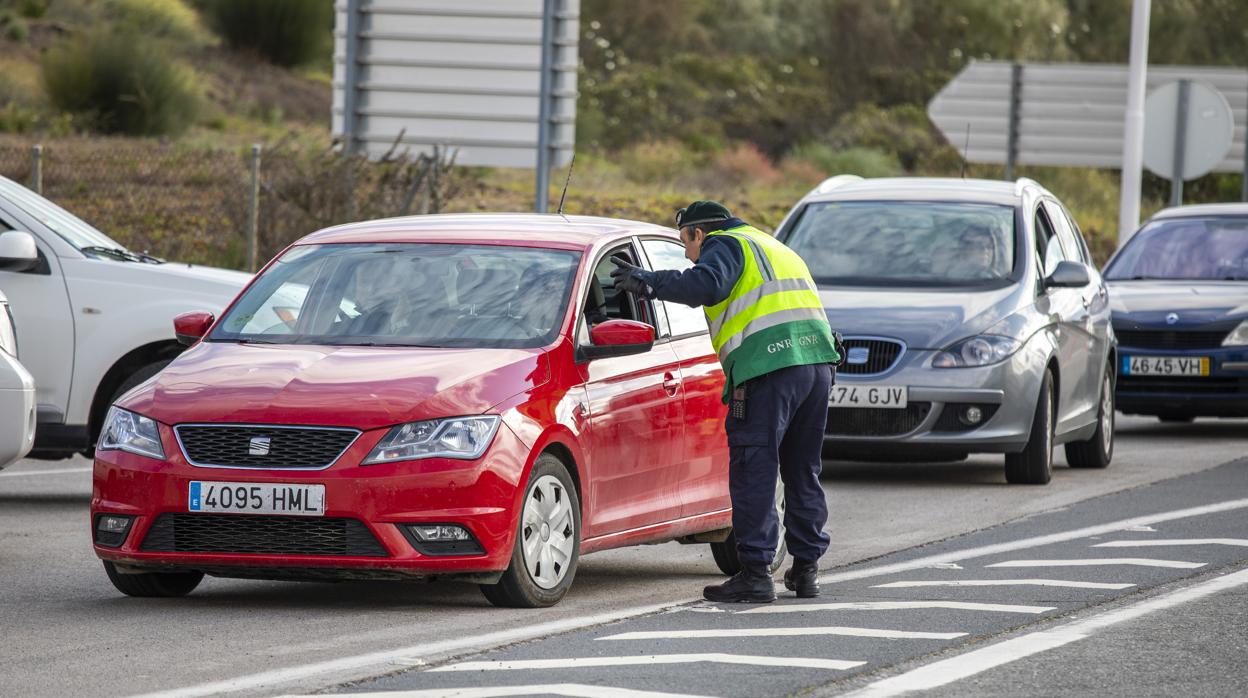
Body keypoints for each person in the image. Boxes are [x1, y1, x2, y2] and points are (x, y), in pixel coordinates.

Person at [611, 201, 840, 603]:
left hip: (768, 367)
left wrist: (647, 282)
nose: (686, 253)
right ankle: (806, 570)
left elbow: (706, 285)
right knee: (803, 469)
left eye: (686, 241)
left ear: (700, 232)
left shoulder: (726, 243)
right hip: (817, 364)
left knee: (754, 467)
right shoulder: (773, 245)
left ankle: (754, 572)